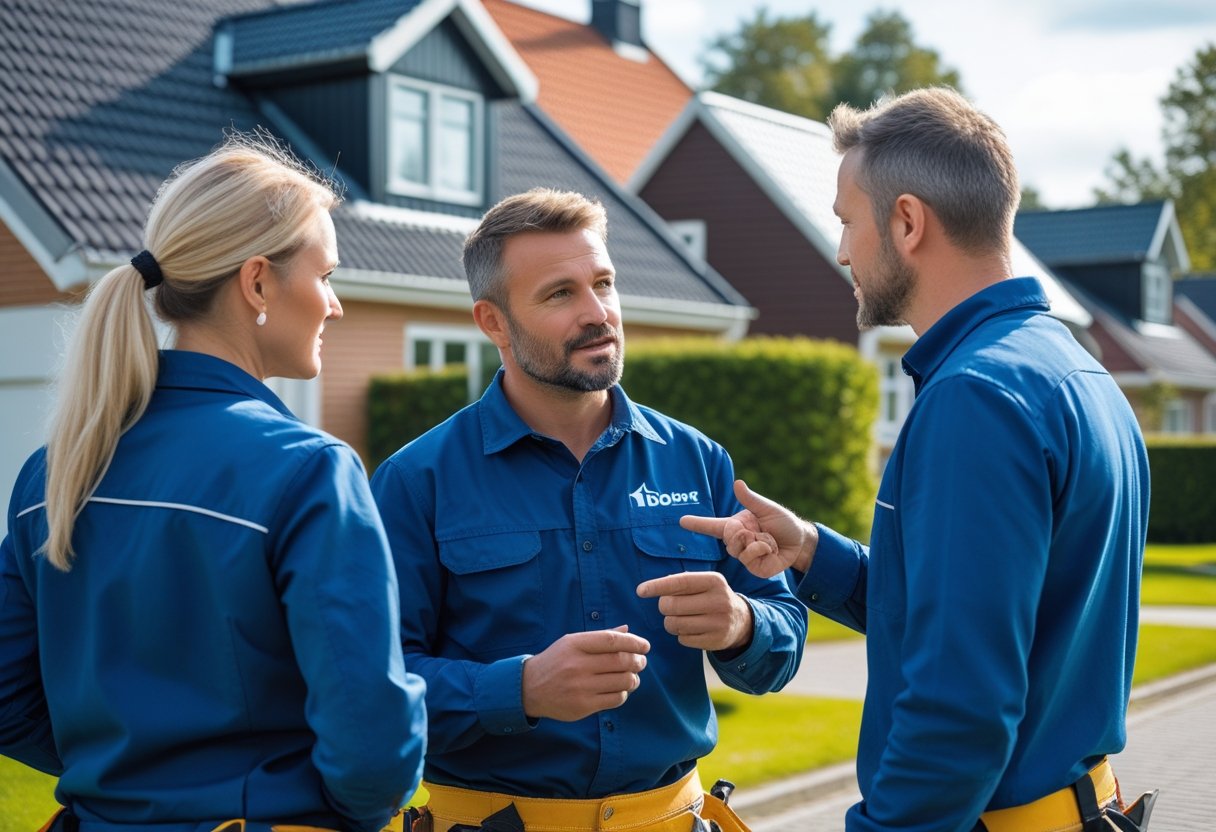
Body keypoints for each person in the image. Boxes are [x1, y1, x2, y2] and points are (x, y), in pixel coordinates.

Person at [682, 87, 1155, 832]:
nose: (841, 250)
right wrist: (809, 550)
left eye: (846, 222)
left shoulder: (978, 398)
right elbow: (965, 612)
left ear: (906, 222)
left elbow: (958, 706)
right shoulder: (1075, 371)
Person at [0, 136, 427, 832]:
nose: (336, 305)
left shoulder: (54, 470)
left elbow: (6, 695)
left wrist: (132, 784)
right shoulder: (310, 470)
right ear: (258, 283)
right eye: (326, 276)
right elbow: (372, 742)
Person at [370, 188, 807, 832]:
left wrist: (744, 623)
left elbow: (783, 637)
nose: (597, 313)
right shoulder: (416, 480)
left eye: (603, 283)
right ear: (492, 322)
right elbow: (377, 688)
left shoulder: (697, 460)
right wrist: (520, 689)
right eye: (559, 294)